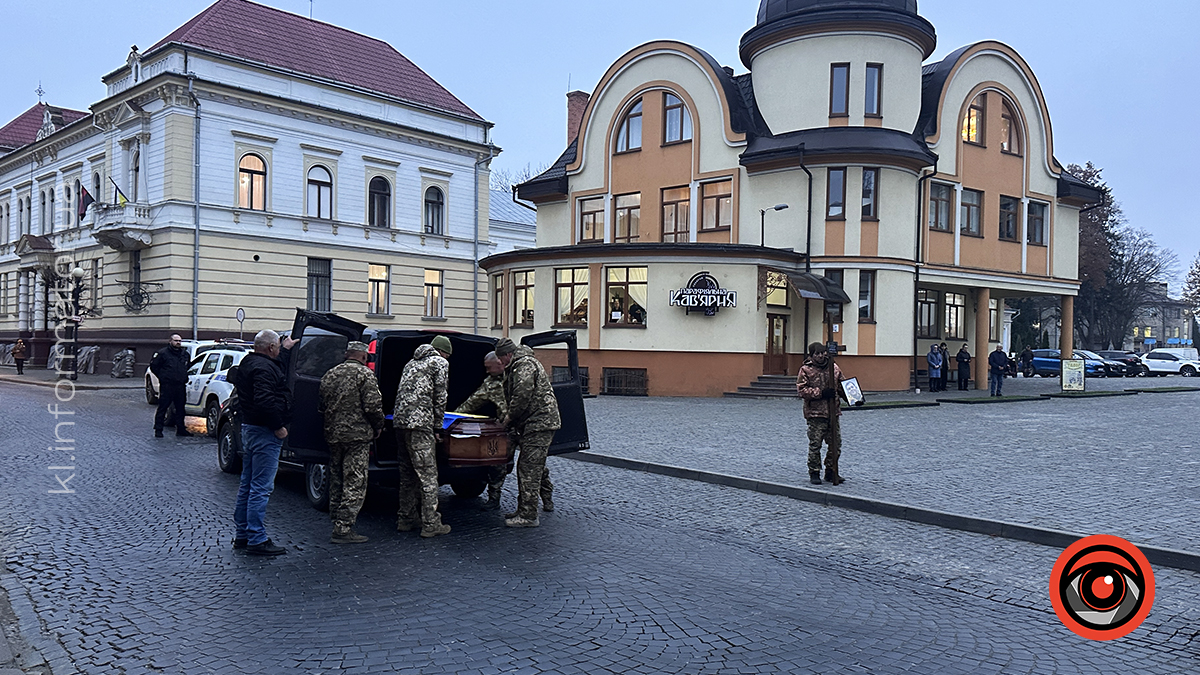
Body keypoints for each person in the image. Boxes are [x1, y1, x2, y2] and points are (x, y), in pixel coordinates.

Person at [232, 329, 296, 556]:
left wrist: (286, 352)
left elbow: (272, 369)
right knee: (261, 487)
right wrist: (278, 426)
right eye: (278, 347)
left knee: (247, 484)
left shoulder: (249, 363)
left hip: (250, 428)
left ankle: (243, 534)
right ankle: (257, 539)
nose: (279, 350)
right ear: (270, 348)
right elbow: (265, 400)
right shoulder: (264, 369)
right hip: (265, 432)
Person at [318, 341, 385, 544]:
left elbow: (321, 405)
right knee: (355, 481)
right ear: (364, 357)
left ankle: (336, 518)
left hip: (334, 434)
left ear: (347, 354)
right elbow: (373, 406)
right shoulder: (365, 375)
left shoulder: (330, 374)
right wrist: (378, 426)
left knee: (337, 477)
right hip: (357, 437)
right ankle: (344, 528)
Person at [495, 337, 560, 528]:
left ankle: (529, 515)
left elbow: (521, 396)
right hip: (533, 422)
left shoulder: (523, 365)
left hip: (539, 422)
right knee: (534, 464)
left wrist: (507, 419)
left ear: (508, 354)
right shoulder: (520, 364)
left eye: (501, 359)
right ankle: (536, 502)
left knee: (528, 467)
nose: (500, 363)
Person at [393, 335, 453, 538]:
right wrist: (438, 427)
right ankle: (431, 523)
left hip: (400, 423)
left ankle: (406, 518)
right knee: (428, 475)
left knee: (407, 474)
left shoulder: (411, 362)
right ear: (443, 352)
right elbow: (440, 396)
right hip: (421, 424)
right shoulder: (440, 362)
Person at [453, 351, 518, 512]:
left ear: (500, 363)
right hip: (506, 430)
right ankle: (494, 499)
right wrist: (452, 419)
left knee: (535, 466)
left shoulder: (518, 375)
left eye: (489, 368)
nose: (487, 371)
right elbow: (471, 404)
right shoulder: (490, 384)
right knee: (497, 463)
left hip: (526, 426)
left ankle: (545, 497)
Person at [796, 342, 847, 485]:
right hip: (815, 413)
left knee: (835, 444)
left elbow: (842, 385)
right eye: (816, 354)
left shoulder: (834, 368)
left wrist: (854, 398)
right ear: (811, 355)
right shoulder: (806, 369)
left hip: (833, 412)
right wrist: (821, 393)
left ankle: (831, 470)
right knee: (815, 444)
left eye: (822, 353)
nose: (820, 356)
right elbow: (802, 390)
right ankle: (814, 471)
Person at [150, 334, 191, 438]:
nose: (178, 343)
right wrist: (163, 377)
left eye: (180, 341)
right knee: (163, 407)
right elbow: (154, 366)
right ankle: (158, 429)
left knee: (180, 408)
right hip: (167, 385)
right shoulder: (163, 353)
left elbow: (187, 366)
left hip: (180, 385)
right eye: (176, 340)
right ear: (170, 341)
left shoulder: (184, 354)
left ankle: (181, 429)